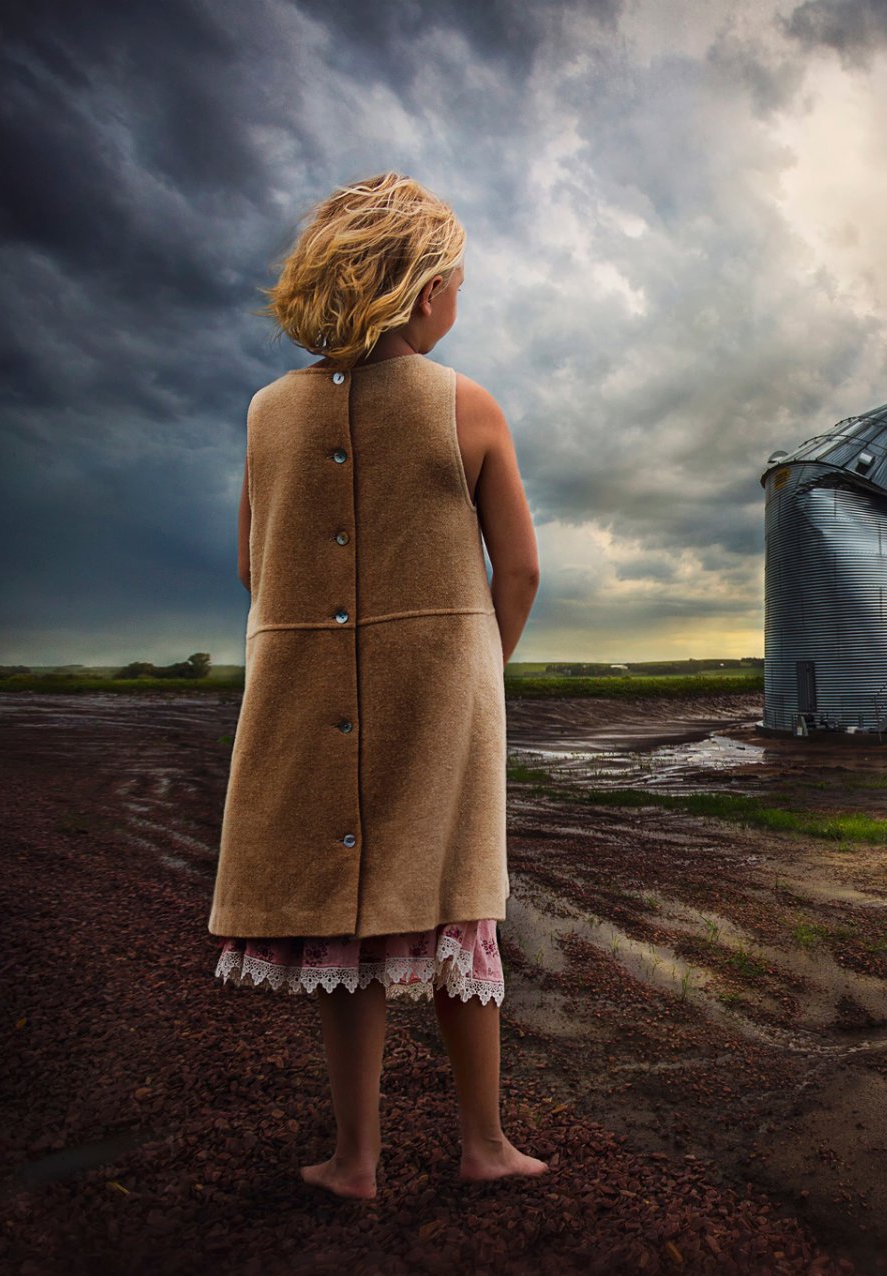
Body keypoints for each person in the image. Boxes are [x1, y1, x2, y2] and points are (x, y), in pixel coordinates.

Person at [207, 172, 546, 1199]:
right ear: (419, 287)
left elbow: (250, 565)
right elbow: (520, 567)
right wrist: (480, 665)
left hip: (306, 699)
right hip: (439, 701)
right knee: (457, 912)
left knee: (342, 933)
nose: (460, 297)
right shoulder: (466, 404)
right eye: (455, 278)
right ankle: (482, 1142)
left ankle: (355, 1157)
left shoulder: (268, 412)